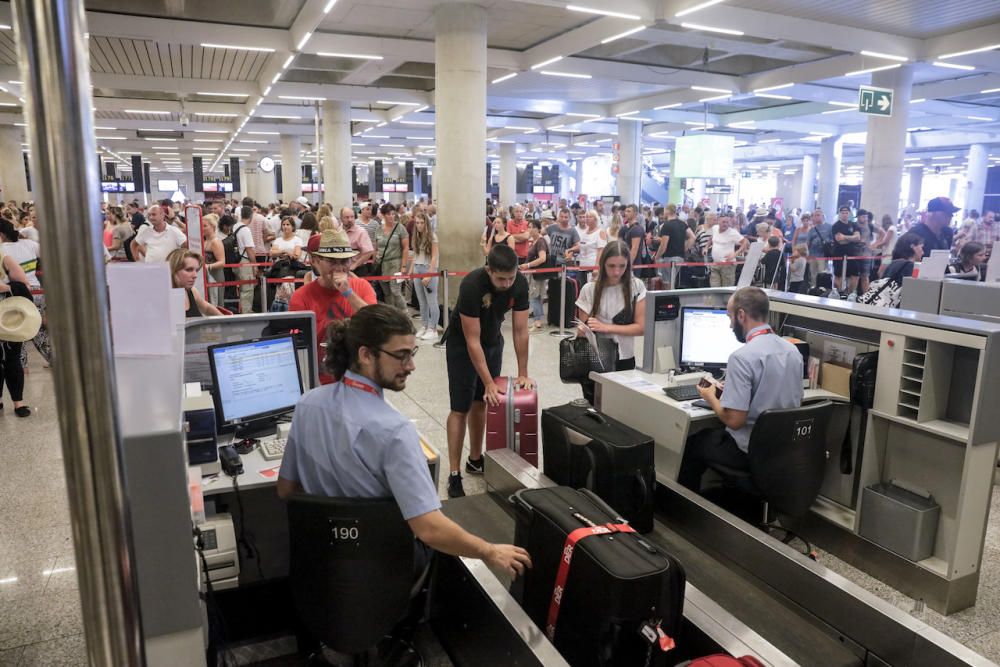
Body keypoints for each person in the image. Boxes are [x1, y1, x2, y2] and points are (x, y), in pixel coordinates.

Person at [276, 305, 532, 581]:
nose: (410, 366)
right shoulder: (395, 431)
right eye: (401, 356)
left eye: (412, 354)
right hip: (384, 572)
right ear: (365, 354)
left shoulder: (307, 404)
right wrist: (489, 551)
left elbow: (286, 489)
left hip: (322, 569)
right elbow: (430, 529)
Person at [678, 287, 804, 493]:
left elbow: (735, 421)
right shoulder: (793, 352)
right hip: (783, 450)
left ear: (741, 315)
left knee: (693, 444)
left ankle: (687, 515)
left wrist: (710, 397)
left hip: (749, 451)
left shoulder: (742, 357)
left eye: (729, 317)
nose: (729, 325)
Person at [445, 244, 532, 498]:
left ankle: (475, 459)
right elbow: (472, 340)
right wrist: (488, 381)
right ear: (488, 270)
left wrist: (523, 372)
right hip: (462, 346)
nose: (506, 284)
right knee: (460, 408)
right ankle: (454, 473)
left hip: (493, 342)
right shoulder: (472, 285)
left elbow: (520, 331)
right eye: (500, 278)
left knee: (481, 402)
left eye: (511, 277)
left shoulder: (520, 284)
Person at [290, 228, 377, 385]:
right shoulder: (301, 297)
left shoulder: (362, 287)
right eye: (331, 261)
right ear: (316, 261)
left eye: (344, 262)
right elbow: (299, 346)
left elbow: (375, 322)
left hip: (361, 377)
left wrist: (347, 292)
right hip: (321, 379)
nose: (339, 268)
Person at [575, 241, 647, 405]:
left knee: (623, 409)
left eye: (622, 266)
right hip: (596, 359)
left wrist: (606, 327)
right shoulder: (590, 289)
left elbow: (641, 328)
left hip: (625, 358)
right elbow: (583, 329)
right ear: (603, 264)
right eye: (611, 266)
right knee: (596, 408)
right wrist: (582, 330)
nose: (616, 272)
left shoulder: (636, 286)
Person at [0, 220, 50, 367]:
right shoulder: (30, 244)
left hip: (15, 295)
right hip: (36, 291)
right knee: (39, 329)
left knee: (17, 329)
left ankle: (21, 365)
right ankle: (54, 358)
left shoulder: (2, 250)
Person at [0, 248, 34, 417]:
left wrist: (5, 287)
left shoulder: (4, 258)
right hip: (8, 317)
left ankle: (18, 403)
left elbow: (23, 283)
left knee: (12, 359)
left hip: (9, 318)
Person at [406, 212, 439, 340]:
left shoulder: (432, 237)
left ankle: (433, 328)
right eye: (417, 223)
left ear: (426, 223)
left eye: (421, 222)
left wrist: (429, 274)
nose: (419, 225)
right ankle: (425, 325)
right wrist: (410, 270)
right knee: (422, 301)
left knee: (432, 300)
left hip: (428, 268)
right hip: (417, 268)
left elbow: (435, 256)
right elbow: (415, 254)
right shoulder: (416, 236)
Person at [372, 203, 409, 312]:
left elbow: (406, 248)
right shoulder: (378, 229)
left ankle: (405, 313)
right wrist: (374, 262)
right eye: (388, 214)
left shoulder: (400, 228)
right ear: (383, 215)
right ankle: (392, 315)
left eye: (393, 214)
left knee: (395, 291)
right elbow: (376, 248)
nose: (391, 216)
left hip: (396, 263)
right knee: (387, 293)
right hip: (382, 264)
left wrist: (403, 266)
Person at [167, 249, 222, 318]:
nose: (195, 275)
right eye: (189, 270)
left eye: (196, 270)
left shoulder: (192, 291)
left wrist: (225, 321)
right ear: (173, 270)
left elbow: (207, 308)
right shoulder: (163, 298)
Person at [654, 204, 695, 288]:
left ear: (667, 211)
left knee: (667, 283)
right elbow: (693, 237)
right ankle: (670, 299)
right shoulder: (682, 223)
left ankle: (669, 300)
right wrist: (684, 248)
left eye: (664, 211)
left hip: (669, 258)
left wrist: (657, 256)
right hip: (680, 257)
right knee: (672, 281)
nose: (663, 213)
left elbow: (663, 245)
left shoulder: (667, 225)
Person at [521, 220, 550, 330]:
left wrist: (528, 265)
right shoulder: (534, 241)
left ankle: (537, 321)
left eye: (531, 227)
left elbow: (542, 258)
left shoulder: (540, 241)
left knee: (535, 296)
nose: (529, 229)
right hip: (533, 274)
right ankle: (538, 319)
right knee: (535, 296)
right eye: (528, 227)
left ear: (537, 228)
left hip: (537, 273)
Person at [707, 213, 747, 288]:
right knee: (714, 287)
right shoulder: (715, 228)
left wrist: (735, 254)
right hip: (715, 263)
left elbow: (745, 242)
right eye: (723, 222)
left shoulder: (733, 232)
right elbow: (711, 238)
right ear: (718, 221)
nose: (725, 224)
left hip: (728, 265)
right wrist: (706, 247)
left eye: (727, 222)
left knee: (726, 288)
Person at [568, 210, 608, 284]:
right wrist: (570, 250)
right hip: (582, 266)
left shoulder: (600, 232)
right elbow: (581, 246)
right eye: (586, 217)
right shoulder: (585, 232)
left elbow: (601, 251)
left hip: (592, 266)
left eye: (590, 217)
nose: (587, 218)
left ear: (595, 219)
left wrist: (596, 268)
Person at [831, 205, 861, 295]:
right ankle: (838, 293)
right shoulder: (836, 226)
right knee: (838, 275)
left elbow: (858, 238)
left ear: (849, 214)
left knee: (855, 275)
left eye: (846, 213)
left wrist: (844, 237)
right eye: (843, 213)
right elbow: (840, 241)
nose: (844, 214)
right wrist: (851, 238)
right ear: (840, 214)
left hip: (851, 254)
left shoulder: (853, 224)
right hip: (839, 253)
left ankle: (850, 293)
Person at [200, 214, 226, 307]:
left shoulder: (215, 241)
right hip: (207, 276)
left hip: (215, 276)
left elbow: (222, 262)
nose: (202, 228)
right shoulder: (205, 241)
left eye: (205, 226)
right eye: (201, 225)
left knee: (216, 304)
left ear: (213, 227)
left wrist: (208, 266)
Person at [544, 208, 580, 273]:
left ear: (569, 218)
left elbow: (578, 246)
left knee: (564, 282)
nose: (563, 219)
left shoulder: (572, 231)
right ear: (558, 217)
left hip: (564, 262)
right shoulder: (552, 227)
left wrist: (570, 250)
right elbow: (540, 234)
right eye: (562, 217)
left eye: (566, 217)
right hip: (552, 261)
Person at [806, 210, 832, 285]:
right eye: (814, 215)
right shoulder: (812, 229)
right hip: (812, 255)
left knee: (822, 274)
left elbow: (833, 240)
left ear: (822, 216)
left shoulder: (829, 227)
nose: (816, 217)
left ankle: (822, 289)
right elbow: (808, 242)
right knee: (813, 275)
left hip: (823, 256)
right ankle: (813, 290)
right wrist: (806, 255)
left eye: (818, 215)